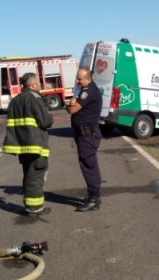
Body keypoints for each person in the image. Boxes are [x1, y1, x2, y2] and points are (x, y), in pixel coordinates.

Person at [2, 73, 53, 216]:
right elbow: (46, 121)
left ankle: (30, 206)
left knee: (28, 175)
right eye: (38, 82)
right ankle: (34, 208)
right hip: (36, 146)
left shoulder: (15, 101)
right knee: (35, 176)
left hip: (22, 147)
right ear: (33, 85)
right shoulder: (34, 98)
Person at [66, 67, 103, 212]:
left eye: (80, 79)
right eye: (77, 78)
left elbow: (73, 109)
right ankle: (94, 196)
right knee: (88, 163)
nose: (78, 81)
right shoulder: (86, 90)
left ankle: (94, 199)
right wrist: (70, 104)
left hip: (87, 134)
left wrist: (69, 106)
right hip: (85, 133)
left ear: (88, 78)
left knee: (89, 165)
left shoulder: (88, 91)